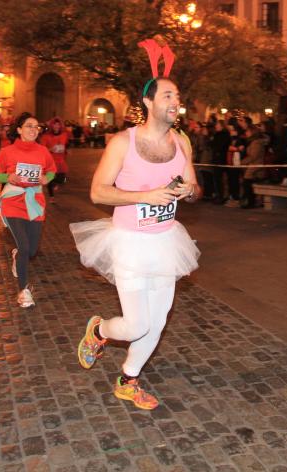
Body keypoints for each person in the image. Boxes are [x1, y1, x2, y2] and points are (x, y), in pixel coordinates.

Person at [71, 41, 200, 411]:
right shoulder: (121, 142)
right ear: (148, 102)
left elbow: (193, 189)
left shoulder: (182, 143)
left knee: (157, 322)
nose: (175, 101)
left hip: (165, 241)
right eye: (168, 95)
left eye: (178, 95)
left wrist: (187, 191)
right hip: (128, 241)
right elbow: (98, 192)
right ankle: (98, 331)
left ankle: (128, 379)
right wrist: (145, 196)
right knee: (136, 324)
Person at [0, 112, 56, 308]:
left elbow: (52, 170)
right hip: (13, 201)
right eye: (29, 126)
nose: (33, 130)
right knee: (24, 245)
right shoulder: (7, 152)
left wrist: (47, 179)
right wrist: (8, 178)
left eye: (36, 127)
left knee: (31, 249)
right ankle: (23, 291)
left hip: (34, 203)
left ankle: (17, 255)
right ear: (19, 129)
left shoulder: (43, 151)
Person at [40, 117, 69, 203]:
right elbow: (43, 149)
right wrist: (50, 149)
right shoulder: (46, 136)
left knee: (62, 179)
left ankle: (55, 184)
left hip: (61, 160)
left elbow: (66, 144)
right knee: (51, 178)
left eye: (58, 124)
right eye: (55, 124)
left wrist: (67, 150)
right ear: (51, 126)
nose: (56, 126)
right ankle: (51, 197)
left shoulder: (64, 135)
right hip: (51, 160)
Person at [240, 125, 269, 209]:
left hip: (256, 165)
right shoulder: (253, 142)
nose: (246, 133)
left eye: (248, 131)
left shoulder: (256, 143)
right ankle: (250, 200)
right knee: (247, 182)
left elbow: (253, 156)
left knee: (247, 181)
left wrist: (242, 162)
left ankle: (250, 201)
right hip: (252, 165)